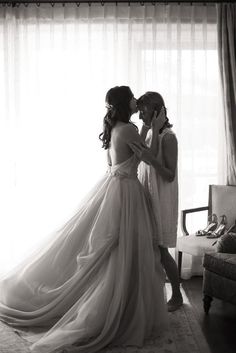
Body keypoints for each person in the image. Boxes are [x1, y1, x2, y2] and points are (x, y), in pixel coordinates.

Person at [0, 86, 168, 353]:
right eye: (133, 97)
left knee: (110, 250)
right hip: (127, 194)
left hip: (114, 188)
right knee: (121, 251)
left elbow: (129, 155)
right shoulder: (130, 130)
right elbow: (147, 157)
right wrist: (156, 127)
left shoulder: (117, 129)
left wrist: (148, 132)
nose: (137, 101)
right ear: (126, 103)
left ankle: (117, 301)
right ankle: (115, 308)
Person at [129, 91, 183, 312]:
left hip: (162, 199)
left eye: (143, 111)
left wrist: (151, 160)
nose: (140, 116)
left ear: (157, 109)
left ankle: (177, 296)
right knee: (151, 249)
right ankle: (152, 296)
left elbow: (169, 175)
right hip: (148, 196)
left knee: (161, 250)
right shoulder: (151, 134)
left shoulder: (168, 137)